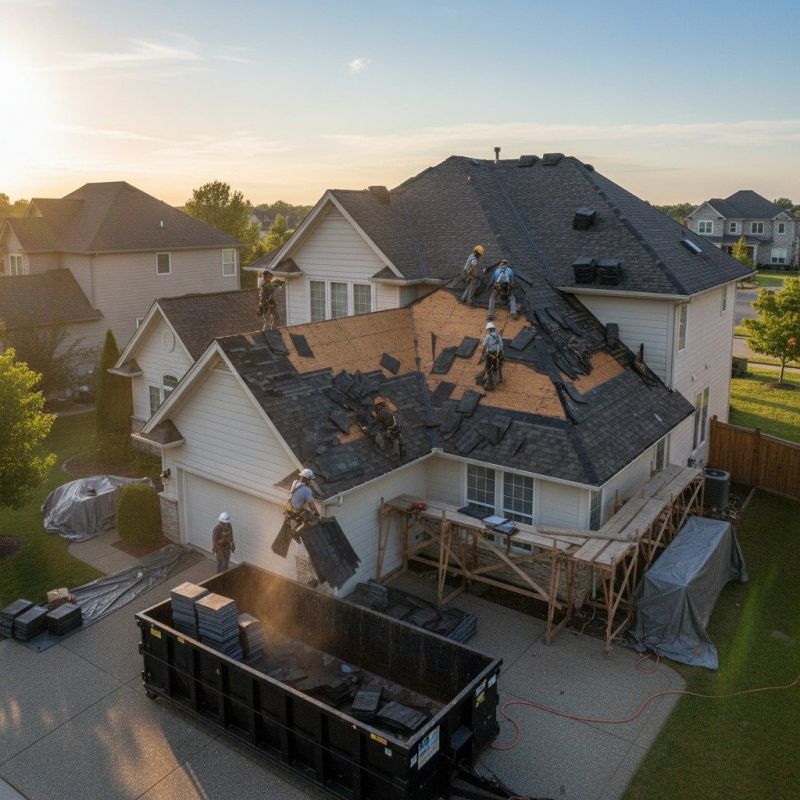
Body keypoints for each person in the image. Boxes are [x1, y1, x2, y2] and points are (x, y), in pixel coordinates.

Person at [284, 468, 320, 532]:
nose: (311, 481)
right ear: (308, 480)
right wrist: (316, 513)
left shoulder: (295, 482)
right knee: (314, 520)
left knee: (305, 510)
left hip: (288, 508)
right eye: (310, 480)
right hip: (296, 512)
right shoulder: (307, 490)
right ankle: (297, 532)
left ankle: (295, 526)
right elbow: (311, 505)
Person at [479, 321, 504, 390]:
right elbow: (501, 346)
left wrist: (483, 354)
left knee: (488, 368)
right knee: (497, 367)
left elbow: (484, 347)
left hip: (490, 355)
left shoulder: (488, 337)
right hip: (498, 354)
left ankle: (490, 383)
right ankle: (498, 380)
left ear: (488, 329)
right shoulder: (498, 336)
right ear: (494, 329)